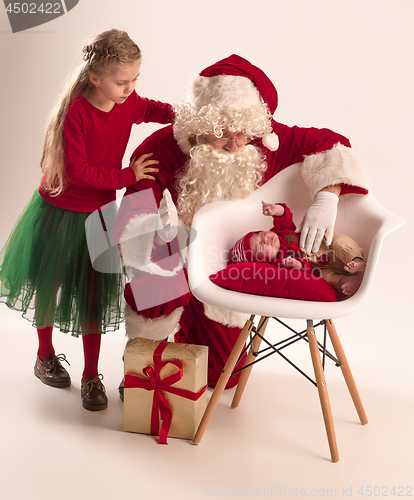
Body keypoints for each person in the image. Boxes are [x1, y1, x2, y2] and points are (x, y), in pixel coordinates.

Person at [114, 54, 369, 391]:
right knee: (154, 278)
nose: (234, 144)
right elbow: (133, 216)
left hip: (227, 267)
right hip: (174, 258)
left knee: (224, 377)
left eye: (243, 133)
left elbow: (331, 142)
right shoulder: (161, 149)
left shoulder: (265, 141)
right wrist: (154, 234)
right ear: (200, 125)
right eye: (221, 133)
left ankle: (188, 339)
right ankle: (145, 367)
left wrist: (327, 195)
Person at [0, 29, 173, 411]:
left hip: (98, 215)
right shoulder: (76, 111)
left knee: (93, 296)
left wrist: (190, 117)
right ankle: (44, 355)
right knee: (51, 283)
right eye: (122, 81)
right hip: (60, 211)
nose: (130, 89)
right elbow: (80, 173)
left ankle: (91, 375)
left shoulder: (129, 102)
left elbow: (157, 110)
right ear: (96, 77)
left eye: (135, 80)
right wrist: (129, 175)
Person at [231, 201, 366, 297]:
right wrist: (297, 265)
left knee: (341, 242)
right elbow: (305, 274)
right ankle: (346, 281)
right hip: (322, 267)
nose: (265, 239)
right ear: (262, 261)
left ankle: (357, 261)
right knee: (324, 277)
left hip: (327, 245)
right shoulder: (280, 264)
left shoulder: (281, 232)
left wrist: (276, 210)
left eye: (261, 234)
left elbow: (285, 217)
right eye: (260, 246)